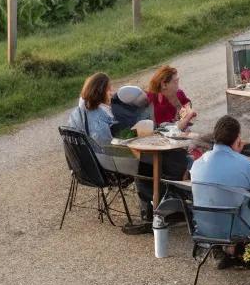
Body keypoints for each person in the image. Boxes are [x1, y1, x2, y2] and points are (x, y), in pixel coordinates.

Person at [66, 72, 155, 232]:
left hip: (82, 166)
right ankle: (149, 216)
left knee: (145, 159)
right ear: (100, 92)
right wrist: (134, 138)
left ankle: (156, 208)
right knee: (148, 164)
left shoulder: (79, 110)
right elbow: (108, 148)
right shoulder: (97, 117)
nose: (112, 93)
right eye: (109, 89)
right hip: (102, 169)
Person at [189, 115, 250, 267]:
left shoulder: (198, 163)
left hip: (204, 225)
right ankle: (247, 253)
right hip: (238, 227)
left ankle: (227, 251)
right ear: (238, 138)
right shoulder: (244, 163)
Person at [145, 64, 196, 131]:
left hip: (179, 128)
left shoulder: (179, 93)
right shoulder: (157, 103)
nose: (178, 83)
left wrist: (187, 110)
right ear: (164, 85)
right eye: (175, 81)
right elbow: (172, 130)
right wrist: (188, 116)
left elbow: (187, 103)